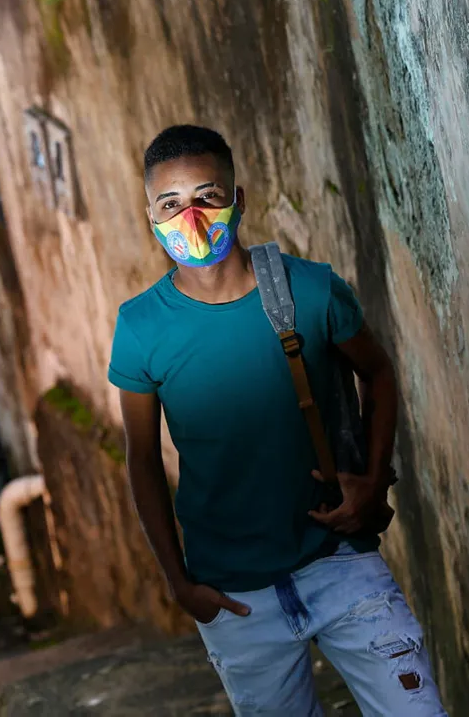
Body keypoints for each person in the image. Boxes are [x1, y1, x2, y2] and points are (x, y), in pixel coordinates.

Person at [109, 125, 446, 715]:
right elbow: (140, 459)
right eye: (170, 203)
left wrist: (372, 476)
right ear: (150, 215)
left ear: (238, 200)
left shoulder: (310, 290)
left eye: (206, 196)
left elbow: (380, 372)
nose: (189, 217)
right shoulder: (139, 328)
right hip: (234, 596)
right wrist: (179, 582)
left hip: (339, 564)